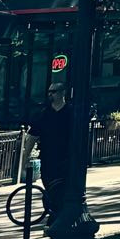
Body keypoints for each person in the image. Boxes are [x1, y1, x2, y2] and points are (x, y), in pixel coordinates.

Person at [30, 85, 73, 217]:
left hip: (66, 159)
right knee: (49, 189)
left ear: (62, 93)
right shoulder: (44, 113)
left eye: (53, 92)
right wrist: (26, 158)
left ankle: (56, 217)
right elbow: (32, 136)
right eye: (49, 92)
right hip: (48, 158)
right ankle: (54, 214)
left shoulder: (71, 112)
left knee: (62, 190)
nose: (50, 95)